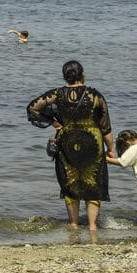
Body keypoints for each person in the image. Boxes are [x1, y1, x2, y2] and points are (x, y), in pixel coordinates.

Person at [27, 61, 111, 231]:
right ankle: (93, 226)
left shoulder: (57, 94)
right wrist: (112, 149)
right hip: (92, 142)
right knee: (92, 181)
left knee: (70, 180)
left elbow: (32, 108)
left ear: (65, 76)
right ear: (83, 74)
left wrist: (53, 122)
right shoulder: (95, 96)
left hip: (68, 141)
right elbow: (105, 126)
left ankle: (73, 223)